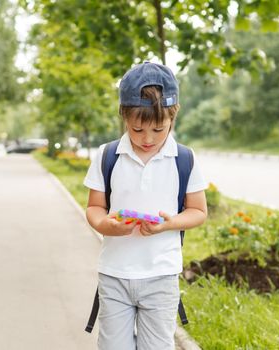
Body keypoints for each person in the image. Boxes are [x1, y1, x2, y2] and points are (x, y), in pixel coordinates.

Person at [83, 61, 208, 350]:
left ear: (172, 118)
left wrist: (170, 224)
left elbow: (199, 211)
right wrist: (106, 225)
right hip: (115, 274)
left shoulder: (184, 159)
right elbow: (94, 207)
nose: (147, 139)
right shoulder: (108, 155)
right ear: (124, 117)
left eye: (158, 129)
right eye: (138, 129)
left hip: (161, 276)